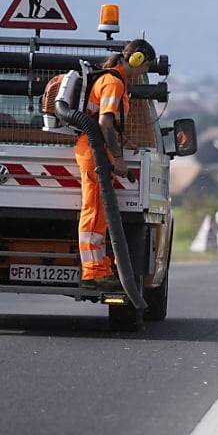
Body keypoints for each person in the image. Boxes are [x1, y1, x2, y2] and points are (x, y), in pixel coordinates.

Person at [77, 39, 156, 290]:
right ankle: (92, 272)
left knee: (100, 211)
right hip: (94, 150)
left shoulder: (113, 80)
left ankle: (100, 267)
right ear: (137, 60)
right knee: (95, 210)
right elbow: (104, 122)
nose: (144, 73)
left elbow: (111, 125)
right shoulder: (113, 82)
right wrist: (119, 159)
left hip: (97, 149)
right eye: (146, 67)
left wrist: (124, 141)